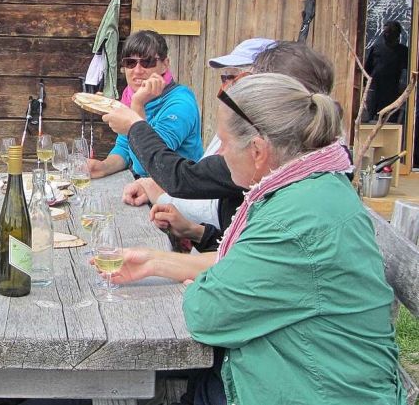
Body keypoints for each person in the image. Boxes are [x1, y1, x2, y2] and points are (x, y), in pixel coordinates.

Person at [105, 73, 404, 405]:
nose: (220, 154)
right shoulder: (314, 186)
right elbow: (237, 273)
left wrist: (207, 286)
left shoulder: (292, 219)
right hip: (307, 370)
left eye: (224, 143)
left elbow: (206, 313)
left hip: (310, 389)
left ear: (258, 150)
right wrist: (156, 261)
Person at [104, 41, 335, 252]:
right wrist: (197, 232)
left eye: (238, 80)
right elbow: (242, 246)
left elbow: (182, 179)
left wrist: (136, 123)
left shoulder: (264, 154)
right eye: (226, 78)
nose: (225, 89)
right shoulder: (317, 164)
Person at [87, 30, 203, 179]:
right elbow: (124, 146)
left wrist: (137, 106)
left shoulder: (181, 104)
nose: (137, 70)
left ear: (165, 65)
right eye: (130, 62)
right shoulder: (131, 95)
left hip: (181, 188)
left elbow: (146, 165)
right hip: (148, 186)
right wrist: (103, 167)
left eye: (147, 62)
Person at [365, 20, 409, 122]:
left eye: (389, 32)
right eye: (385, 32)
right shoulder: (376, 48)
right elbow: (367, 68)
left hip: (392, 92)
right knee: (371, 118)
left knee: (390, 120)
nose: (386, 35)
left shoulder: (403, 51)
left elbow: (408, 71)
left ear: (397, 34)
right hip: (375, 90)